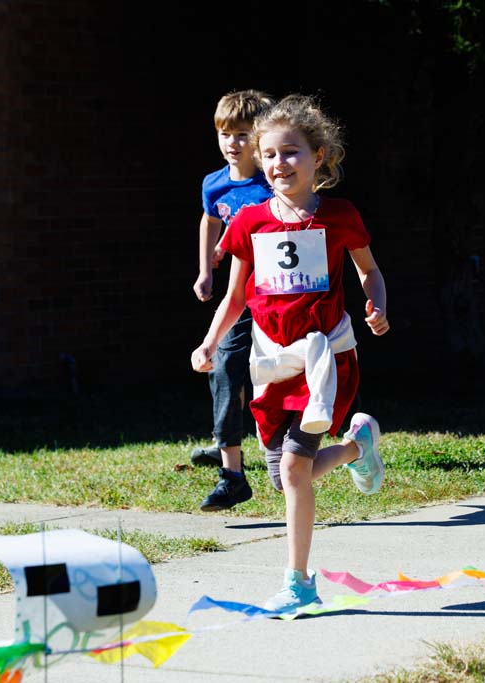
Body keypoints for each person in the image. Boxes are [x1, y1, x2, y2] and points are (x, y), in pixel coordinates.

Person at [191, 94, 389, 613]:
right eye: (271, 154)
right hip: (272, 361)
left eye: (293, 152)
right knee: (284, 476)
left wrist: (376, 304)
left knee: (296, 471)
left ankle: (298, 582)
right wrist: (210, 342)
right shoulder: (249, 222)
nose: (281, 164)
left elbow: (369, 270)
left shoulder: (341, 215)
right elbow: (236, 297)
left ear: (319, 156)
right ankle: (355, 448)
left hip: (325, 359)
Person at [190, 90, 275, 512]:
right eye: (225, 133)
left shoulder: (273, 181)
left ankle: (258, 439)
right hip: (240, 295)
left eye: (242, 134)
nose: (232, 143)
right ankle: (231, 468)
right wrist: (207, 268)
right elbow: (210, 220)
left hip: (278, 295)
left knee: (269, 373)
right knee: (222, 365)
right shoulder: (214, 182)